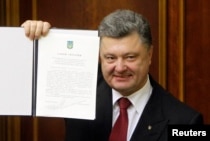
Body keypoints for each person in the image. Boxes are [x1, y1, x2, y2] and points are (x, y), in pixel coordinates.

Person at [21, 9, 203, 141]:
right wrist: (33, 35)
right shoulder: (77, 91)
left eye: (130, 57)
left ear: (149, 55)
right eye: (110, 58)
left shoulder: (186, 122)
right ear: (99, 56)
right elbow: (26, 74)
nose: (120, 67)